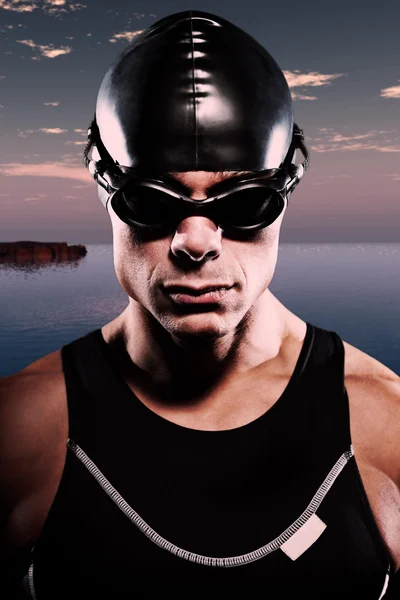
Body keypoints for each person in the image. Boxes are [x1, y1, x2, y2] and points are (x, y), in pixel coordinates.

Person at [1, 10, 399, 599]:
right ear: (107, 194)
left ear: (285, 194)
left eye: (242, 205)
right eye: (151, 202)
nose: (196, 241)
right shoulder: (19, 431)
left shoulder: (384, 423)